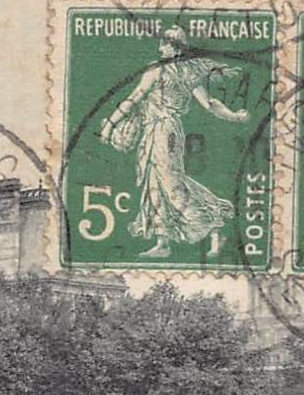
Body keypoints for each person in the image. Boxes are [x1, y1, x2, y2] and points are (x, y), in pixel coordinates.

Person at [97, 27, 249, 258]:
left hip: (164, 130)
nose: (161, 48)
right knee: (154, 183)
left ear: (176, 46)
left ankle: (214, 224)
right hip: (156, 130)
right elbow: (210, 104)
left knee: (170, 184)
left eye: (166, 44)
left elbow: (135, 98)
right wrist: (235, 116)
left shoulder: (163, 70)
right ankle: (162, 242)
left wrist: (110, 124)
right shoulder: (187, 73)